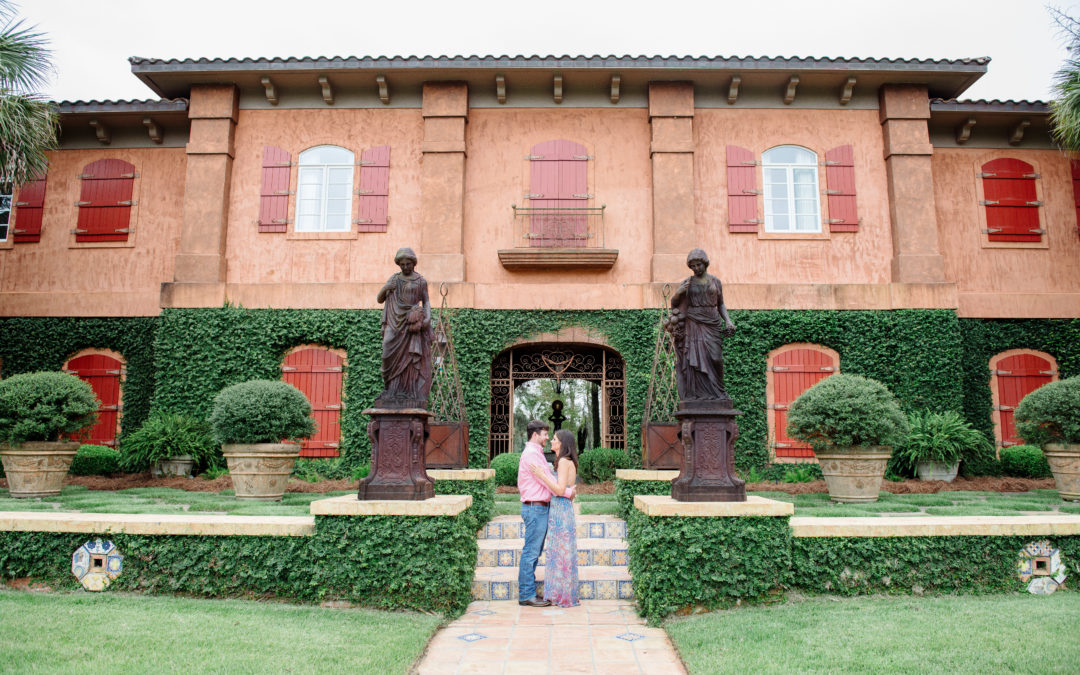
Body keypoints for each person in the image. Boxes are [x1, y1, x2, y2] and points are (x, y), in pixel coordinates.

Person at [667, 248, 736, 403]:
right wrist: (678, 292)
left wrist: (728, 321)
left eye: (698, 265)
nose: (696, 269)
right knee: (694, 360)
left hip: (712, 323)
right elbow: (675, 304)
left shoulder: (715, 282)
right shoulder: (688, 283)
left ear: (705, 263)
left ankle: (719, 393)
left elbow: (721, 304)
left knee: (716, 358)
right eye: (693, 266)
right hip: (694, 323)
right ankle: (697, 396)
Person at [516, 419, 573, 607]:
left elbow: (548, 478)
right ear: (535, 434)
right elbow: (546, 480)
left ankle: (528, 592)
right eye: (545, 434)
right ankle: (526, 594)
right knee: (531, 552)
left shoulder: (536, 453)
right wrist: (568, 492)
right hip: (535, 508)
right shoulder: (531, 455)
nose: (548, 438)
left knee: (534, 551)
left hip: (538, 507)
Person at [530, 428, 580, 608]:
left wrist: (542, 475)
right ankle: (562, 593)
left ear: (562, 443)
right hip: (561, 509)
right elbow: (568, 490)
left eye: (555, 439)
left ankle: (563, 595)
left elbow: (559, 490)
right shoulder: (565, 462)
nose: (551, 441)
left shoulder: (565, 462)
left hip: (561, 511)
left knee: (560, 554)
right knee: (560, 553)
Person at [376, 247, 433, 403]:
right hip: (394, 322)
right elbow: (380, 299)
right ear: (399, 264)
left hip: (411, 323)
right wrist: (386, 288)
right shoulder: (394, 279)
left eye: (408, 263)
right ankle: (389, 390)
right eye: (402, 264)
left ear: (413, 263)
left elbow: (426, 301)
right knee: (387, 351)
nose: (405, 267)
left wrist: (426, 319)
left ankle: (407, 392)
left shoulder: (420, 281)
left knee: (410, 358)